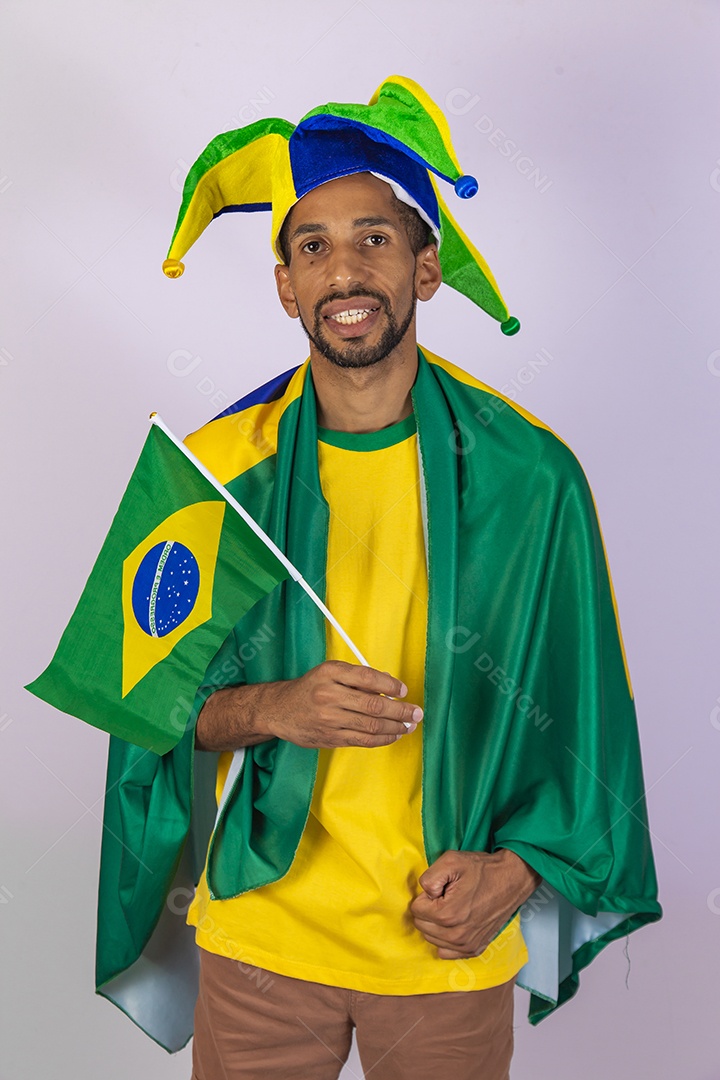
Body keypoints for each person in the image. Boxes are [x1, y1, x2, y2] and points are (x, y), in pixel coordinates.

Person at [94, 76, 661, 1080]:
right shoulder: (213, 473)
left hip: (444, 952)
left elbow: (586, 726)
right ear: (285, 284)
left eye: (375, 239)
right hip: (264, 947)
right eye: (312, 245)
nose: (344, 269)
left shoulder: (531, 479)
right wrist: (276, 706)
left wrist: (521, 872)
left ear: (426, 266)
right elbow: (142, 702)